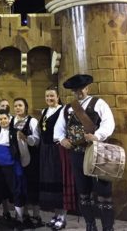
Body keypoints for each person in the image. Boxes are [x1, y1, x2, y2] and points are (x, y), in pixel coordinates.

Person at [54, 74, 115, 231]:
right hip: (77, 154)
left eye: (81, 89)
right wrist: (62, 140)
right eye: (76, 90)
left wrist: (97, 135)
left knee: (103, 193)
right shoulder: (67, 107)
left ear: (87, 88)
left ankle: (108, 228)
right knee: (83, 192)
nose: (79, 93)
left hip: (98, 153)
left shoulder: (99, 103)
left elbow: (109, 122)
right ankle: (90, 225)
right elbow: (58, 129)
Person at [39, 86, 75, 230]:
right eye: (47, 96)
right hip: (46, 151)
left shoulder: (65, 110)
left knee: (60, 181)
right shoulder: (44, 111)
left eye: (52, 96)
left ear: (58, 96)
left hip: (58, 150)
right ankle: (56, 215)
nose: (49, 99)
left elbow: (70, 129)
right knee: (51, 182)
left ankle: (63, 217)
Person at [0, 110, 25, 230]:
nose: (3, 121)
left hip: (12, 166)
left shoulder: (16, 133)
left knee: (16, 191)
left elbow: (23, 151)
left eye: (5, 118)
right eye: (0, 119)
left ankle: (19, 219)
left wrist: (20, 166)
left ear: (9, 119)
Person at [10, 97, 41, 227]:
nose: (18, 108)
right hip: (16, 159)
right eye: (16, 106)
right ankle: (23, 214)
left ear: (25, 107)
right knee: (20, 187)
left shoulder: (32, 121)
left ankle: (36, 215)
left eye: (20, 105)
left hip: (31, 158)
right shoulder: (11, 120)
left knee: (32, 186)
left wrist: (26, 138)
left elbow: (37, 139)